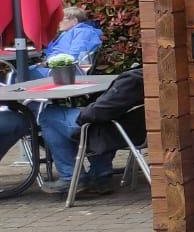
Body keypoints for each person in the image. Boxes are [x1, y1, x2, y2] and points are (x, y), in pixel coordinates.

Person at [38, 67, 145, 197]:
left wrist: (83, 113)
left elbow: (99, 112)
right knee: (101, 115)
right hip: (138, 131)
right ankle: (100, 176)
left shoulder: (134, 79)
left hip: (115, 131)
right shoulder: (158, 77)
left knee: (49, 115)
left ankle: (70, 177)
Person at [28, 6, 103, 78]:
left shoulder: (83, 32)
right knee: (25, 70)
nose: (58, 22)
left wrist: (48, 63)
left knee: (24, 73)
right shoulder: (67, 33)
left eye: (61, 19)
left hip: (64, 72)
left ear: (74, 21)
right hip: (57, 68)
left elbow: (74, 56)